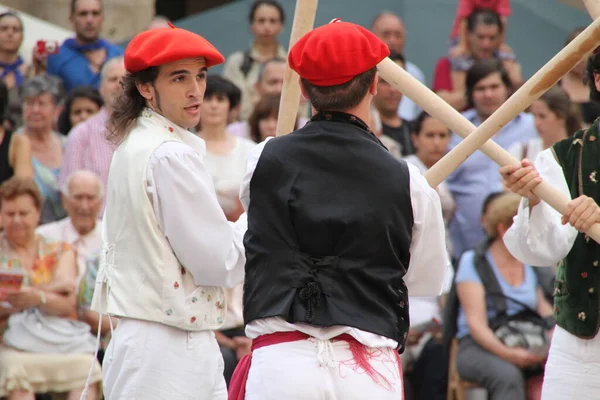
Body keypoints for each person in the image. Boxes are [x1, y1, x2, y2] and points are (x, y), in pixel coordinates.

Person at [228, 19, 449, 400]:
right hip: (366, 369)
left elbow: (259, 234)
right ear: (376, 85)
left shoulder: (262, 160)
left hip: (281, 364)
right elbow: (427, 281)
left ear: (301, 88)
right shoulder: (409, 181)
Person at [88, 25, 247, 400]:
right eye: (179, 78)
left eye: (201, 75)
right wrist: (260, 210)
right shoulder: (168, 153)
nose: (196, 90)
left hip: (155, 343)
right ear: (146, 87)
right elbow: (220, 262)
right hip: (167, 349)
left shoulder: (139, 143)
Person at [499, 49, 600, 400]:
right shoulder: (564, 157)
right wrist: (535, 199)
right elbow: (543, 250)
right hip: (581, 346)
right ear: (599, 81)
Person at [0, 176, 102, 400]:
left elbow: (68, 304)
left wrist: (35, 297)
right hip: (8, 341)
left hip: (57, 337)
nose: (17, 220)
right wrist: (48, 291)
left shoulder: (58, 249)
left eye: (24, 213)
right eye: (10, 213)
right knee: (16, 376)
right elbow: (61, 290)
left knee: (85, 368)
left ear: (37, 214)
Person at [508, 86, 581, 162]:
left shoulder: (579, 152)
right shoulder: (521, 151)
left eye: (542, 116)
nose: (537, 123)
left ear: (561, 116)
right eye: (534, 116)